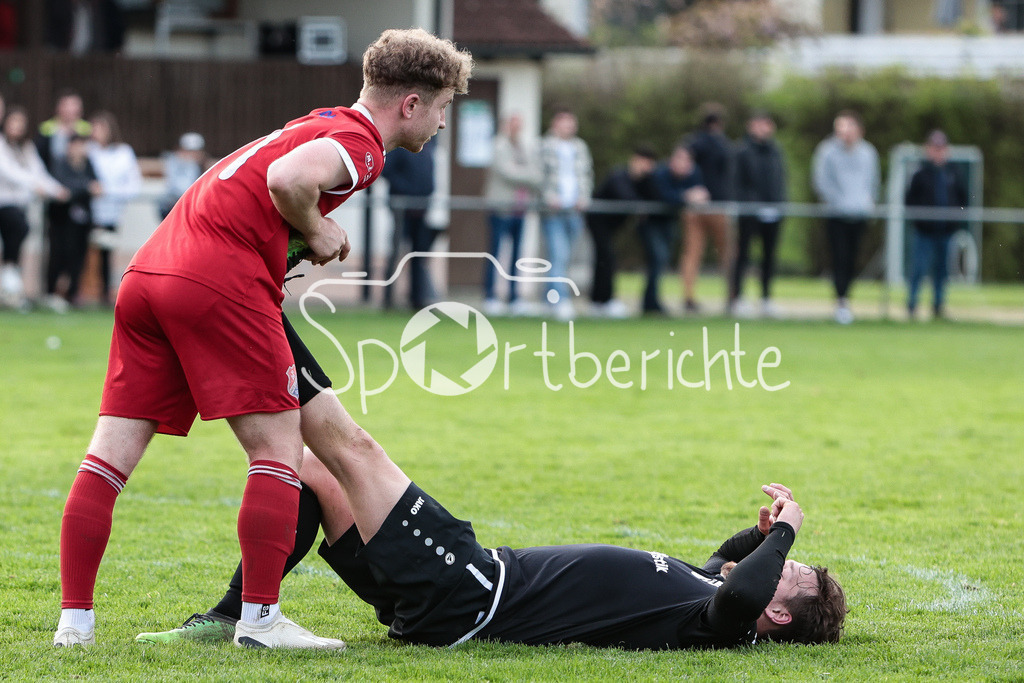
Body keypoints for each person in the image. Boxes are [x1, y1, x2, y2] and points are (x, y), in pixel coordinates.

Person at [53, 27, 473, 650]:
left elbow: (267, 183)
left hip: (148, 274)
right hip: (216, 281)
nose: (441, 123)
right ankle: (259, 621)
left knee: (108, 457)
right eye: (441, 108)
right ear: (410, 104)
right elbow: (286, 179)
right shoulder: (362, 143)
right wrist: (316, 229)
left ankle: (74, 626)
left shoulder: (318, 120)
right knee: (279, 452)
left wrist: (293, 235)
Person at [138, 450, 847, 649]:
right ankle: (235, 615)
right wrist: (761, 535)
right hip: (459, 592)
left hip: (476, 588)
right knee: (317, 475)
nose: (774, 565)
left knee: (347, 448)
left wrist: (791, 531)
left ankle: (266, 325)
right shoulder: (706, 587)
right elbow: (726, 565)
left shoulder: (723, 624)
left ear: (779, 614)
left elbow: (739, 591)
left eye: (787, 574)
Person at [811, 110, 879, 325]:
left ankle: (846, 298)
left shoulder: (868, 152)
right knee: (839, 258)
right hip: (837, 215)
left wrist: (866, 203)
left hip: (859, 215)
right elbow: (821, 181)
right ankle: (841, 301)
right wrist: (837, 202)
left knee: (852, 259)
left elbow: (872, 182)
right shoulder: (827, 151)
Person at [0, 105, 69, 309]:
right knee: (20, 228)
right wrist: (35, 186)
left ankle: (10, 280)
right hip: (4, 203)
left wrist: (57, 190)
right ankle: (9, 272)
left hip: (20, 204)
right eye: (13, 122)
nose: (17, 127)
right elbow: (10, 173)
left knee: (17, 237)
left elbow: (39, 172)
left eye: (21, 123)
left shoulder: (26, 147)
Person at [587, 145, 658, 318]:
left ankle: (599, 301)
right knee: (606, 258)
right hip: (598, 221)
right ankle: (603, 300)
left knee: (605, 259)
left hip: (612, 226)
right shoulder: (619, 176)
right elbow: (626, 197)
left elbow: (654, 195)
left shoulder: (644, 181)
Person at [482, 112, 541, 316]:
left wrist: (526, 173)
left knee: (517, 254)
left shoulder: (526, 147)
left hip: (520, 209)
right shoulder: (498, 146)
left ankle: (514, 297)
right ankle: (490, 296)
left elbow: (537, 172)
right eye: (513, 124)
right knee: (496, 252)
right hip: (501, 208)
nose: (516, 128)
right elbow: (508, 173)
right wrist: (528, 174)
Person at [905, 130, 968, 320]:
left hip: (946, 231)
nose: (938, 152)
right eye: (934, 147)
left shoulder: (954, 172)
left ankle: (938, 306)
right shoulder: (920, 174)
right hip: (924, 232)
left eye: (941, 148)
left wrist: (955, 220)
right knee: (919, 268)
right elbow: (910, 200)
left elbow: (963, 199)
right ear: (928, 149)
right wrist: (921, 220)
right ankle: (912, 305)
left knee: (942, 270)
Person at [729, 111, 787, 319]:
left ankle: (766, 298)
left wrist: (778, 204)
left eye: (766, 124)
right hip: (749, 213)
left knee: (769, 257)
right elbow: (737, 182)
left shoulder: (775, 151)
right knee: (743, 255)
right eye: (759, 124)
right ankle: (738, 298)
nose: (763, 128)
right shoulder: (742, 150)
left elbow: (780, 180)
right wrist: (752, 205)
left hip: (773, 212)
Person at [539, 108, 593, 321]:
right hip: (554, 210)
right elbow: (538, 176)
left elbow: (587, 175)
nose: (569, 127)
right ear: (555, 124)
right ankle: (559, 301)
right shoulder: (545, 146)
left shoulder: (580, 147)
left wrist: (584, 197)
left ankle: (549, 298)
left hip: (574, 210)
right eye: (565, 123)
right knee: (558, 255)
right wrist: (548, 197)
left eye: (572, 123)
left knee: (567, 257)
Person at [643, 145, 709, 315]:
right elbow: (664, 197)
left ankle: (653, 302)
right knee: (657, 259)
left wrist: (691, 196)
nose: (682, 164)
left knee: (662, 260)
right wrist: (685, 196)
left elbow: (700, 193)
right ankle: (650, 302)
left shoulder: (692, 175)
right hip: (651, 223)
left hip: (669, 223)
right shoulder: (660, 174)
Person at [682, 103, 733, 314]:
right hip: (718, 205)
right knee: (727, 253)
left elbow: (681, 168)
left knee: (692, 254)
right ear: (719, 124)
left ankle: (688, 297)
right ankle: (732, 297)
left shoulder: (691, 143)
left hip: (694, 205)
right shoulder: (724, 145)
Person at [86, 110, 142, 305]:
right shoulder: (87, 150)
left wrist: (107, 190)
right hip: (87, 210)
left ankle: (104, 293)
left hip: (111, 213)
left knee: (106, 253)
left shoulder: (123, 152)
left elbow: (133, 186)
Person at [382, 138, 439, 310]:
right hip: (402, 209)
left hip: (421, 209)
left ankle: (417, 299)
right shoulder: (401, 146)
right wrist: (406, 192)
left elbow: (429, 176)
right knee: (396, 252)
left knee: (418, 255)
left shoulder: (429, 145)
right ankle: (388, 299)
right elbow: (386, 170)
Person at [45, 133, 101, 312]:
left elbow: (97, 186)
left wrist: (81, 189)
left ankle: (73, 293)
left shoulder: (88, 165)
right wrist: (85, 188)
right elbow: (63, 189)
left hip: (82, 221)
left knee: (79, 257)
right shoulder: (60, 163)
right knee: (58, 255)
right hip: (61, 221)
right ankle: (51, 292)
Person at [34, 89, 91, 172]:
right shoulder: (46, 128)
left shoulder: (87, 129)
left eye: (74, 105)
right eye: (66, 105)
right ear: (58, 107)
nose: (70, 109)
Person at [159, 131, 209, 219]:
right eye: (190, 151)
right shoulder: (174, 163)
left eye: (196, 151)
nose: (193, 154)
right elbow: (177, 188)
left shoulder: (203, 167)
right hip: (174, 205)